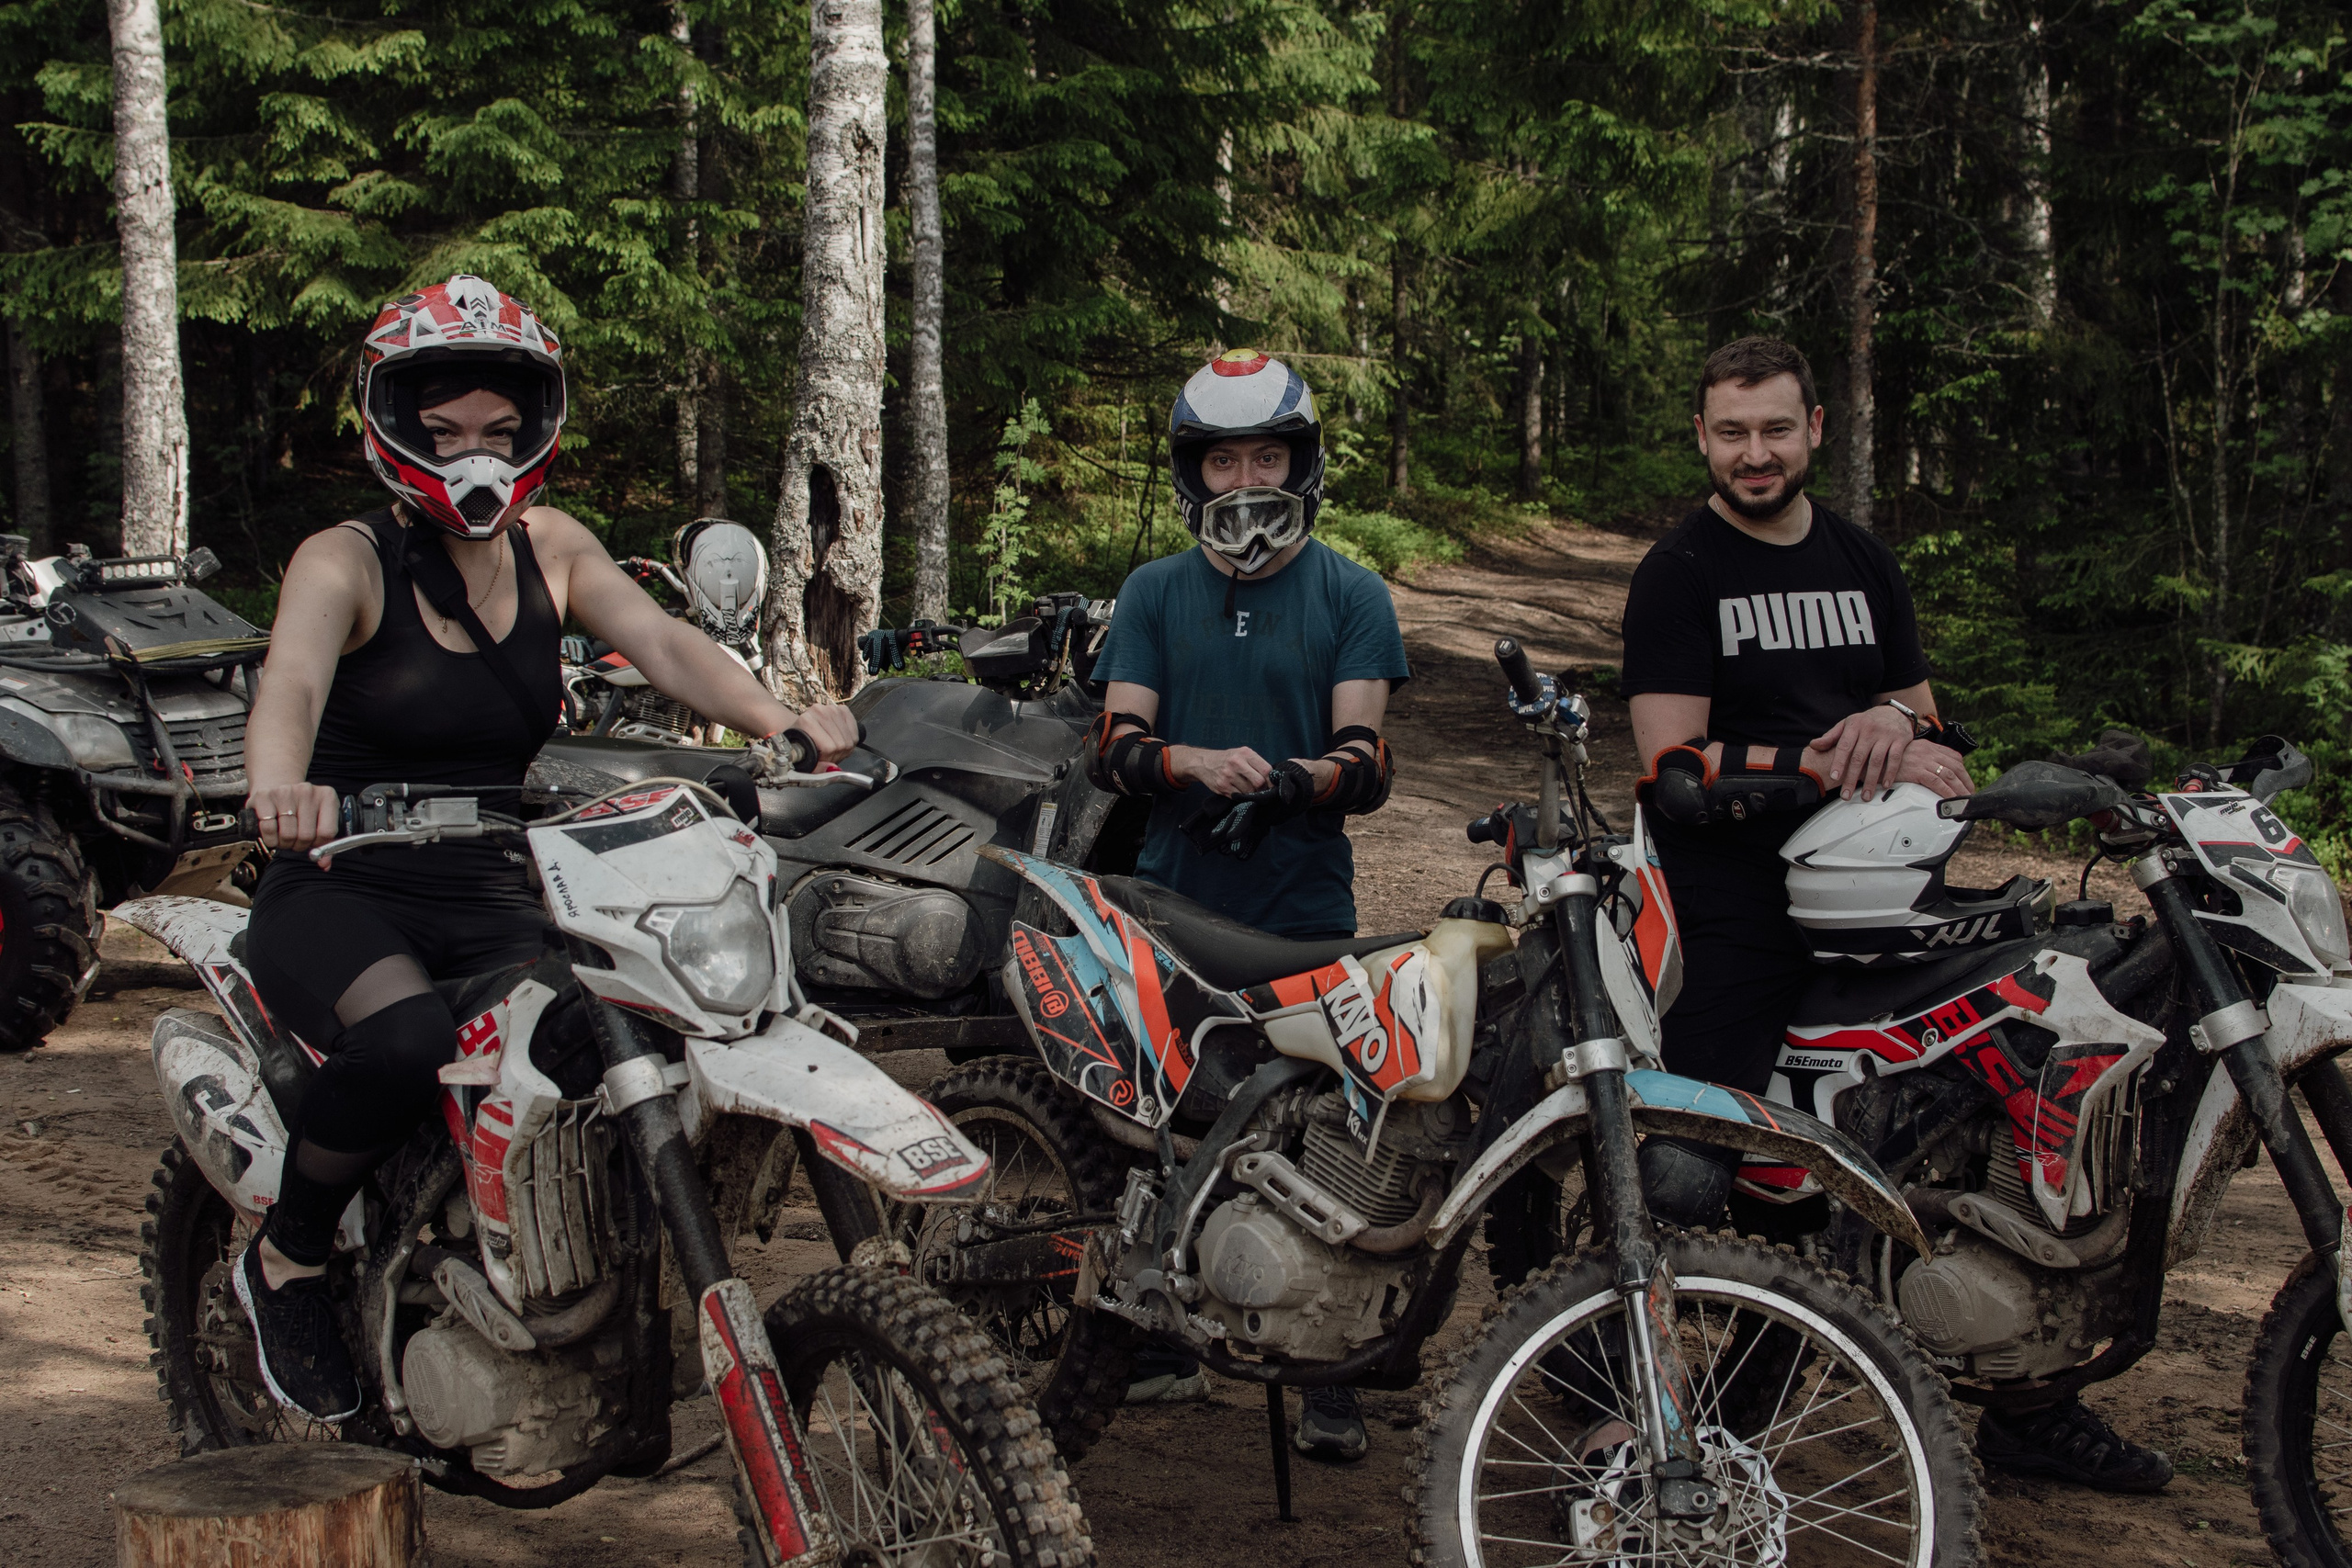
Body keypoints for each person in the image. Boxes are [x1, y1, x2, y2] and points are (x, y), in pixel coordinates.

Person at [235, 274, 857, 1422]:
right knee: (406, 1040)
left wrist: (783, 721)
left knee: (616, 1032)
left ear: (534, 433)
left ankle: (557, 1269)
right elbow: (293, 680)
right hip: (344, 878)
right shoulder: (344, 559)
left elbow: (666, 646)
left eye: (497, 432)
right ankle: (289, 1256)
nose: (475, 454)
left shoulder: (552, 547)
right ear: (394, 430)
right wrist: (282, 784)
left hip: (491, 873)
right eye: (445, 433)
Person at [1618, 333, 2171, 1494]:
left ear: (1816, 428)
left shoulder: (1864, 561)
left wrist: (1913, 737)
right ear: (1702, 439)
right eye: (1731, 431)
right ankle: (1631, 1397)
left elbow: (1936, 739)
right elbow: (1670, 764)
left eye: (1775, 428)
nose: (1754, 452)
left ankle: (2024, 1391)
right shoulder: (1679, 572)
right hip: (1735, 902)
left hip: (1885, 894)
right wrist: (1823, 754)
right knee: (1684, 1168)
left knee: (2012, 1103)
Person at [1086, 348, 1409, 1461]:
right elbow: (1115, 748)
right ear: (1194, 471)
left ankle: (1329, 1367)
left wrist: (1291, 777)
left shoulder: (1351, 592)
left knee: (1325, 1117)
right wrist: (1186, 763)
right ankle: (1165, 1335)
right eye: (1223, 460)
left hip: (1302, 892)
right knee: (1159, 1108)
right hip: (1173, 893)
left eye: (1266, 455)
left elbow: (1365, 759)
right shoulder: (1154, 592)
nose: (1244, 481)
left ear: (1302, 462)